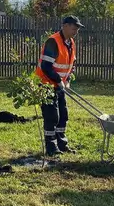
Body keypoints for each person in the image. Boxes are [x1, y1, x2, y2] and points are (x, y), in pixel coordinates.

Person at [34, 15, 83, 156]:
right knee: (52, 116)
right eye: (74, 28)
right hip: (46, 85)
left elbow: (72, 63)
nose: (76, 32)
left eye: (77, 29)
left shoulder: (71, 43)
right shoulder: (53, 42)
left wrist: (67, 80)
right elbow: (46, 66)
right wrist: (58, 80)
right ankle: (51, 147)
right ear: (65, 26)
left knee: (63, 115)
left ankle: (62, 144)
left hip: (60, 84)